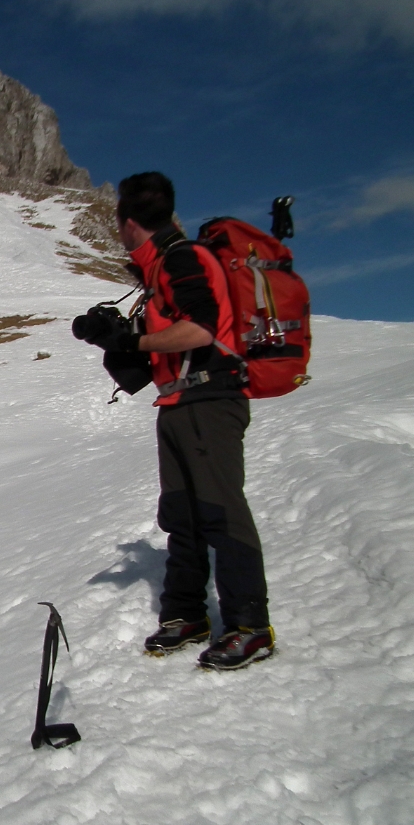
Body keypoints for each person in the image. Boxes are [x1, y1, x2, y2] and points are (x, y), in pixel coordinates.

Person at [73, 172, 274, 670]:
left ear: (128, 223)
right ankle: (187, 613)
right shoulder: (160, 267)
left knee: (220, 511)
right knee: (181, 513)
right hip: (179, 402)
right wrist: (113, 337)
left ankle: (250, 626)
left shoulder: (182, 258)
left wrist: (130, 342)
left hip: (210, 399)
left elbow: (199, 330)